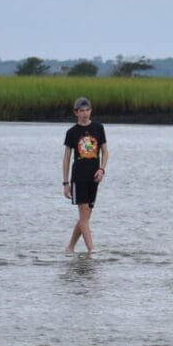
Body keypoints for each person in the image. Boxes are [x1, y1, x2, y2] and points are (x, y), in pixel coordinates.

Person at [61, 97, 108, 254]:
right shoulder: (72, 132)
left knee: (85, 217)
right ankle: (91, 250)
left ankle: (70, 247)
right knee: (83, 212)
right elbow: (66, 158)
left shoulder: (98, 128)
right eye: (81, 111)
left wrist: (102, 169)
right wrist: (65, 183)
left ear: (91, 111)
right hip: (78, 177)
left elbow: (105, 151)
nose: (85, 113)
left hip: (94, 177)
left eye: (87, 110)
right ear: (76, 113)